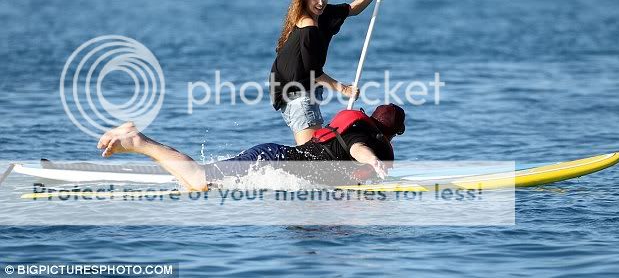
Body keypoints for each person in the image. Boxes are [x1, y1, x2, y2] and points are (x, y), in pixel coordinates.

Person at [97, 104, 405, 191]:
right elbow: (357, 150)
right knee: (199, 181)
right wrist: (374, 163)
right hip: (270, 159)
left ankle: (139, 142)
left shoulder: (352, 125)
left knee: (197, 181)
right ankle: (138, 141)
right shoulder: (362, 139)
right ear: (388, 133)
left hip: (271, 154)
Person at [270, 0, 394, 145]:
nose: (320, 3)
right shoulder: (307, 25)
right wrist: (344, 89)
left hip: (301, 90)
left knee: (313, 153)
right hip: (296, 94)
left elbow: (352, 9)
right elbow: (313, 72)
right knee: (312, 155)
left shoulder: (322, 14)